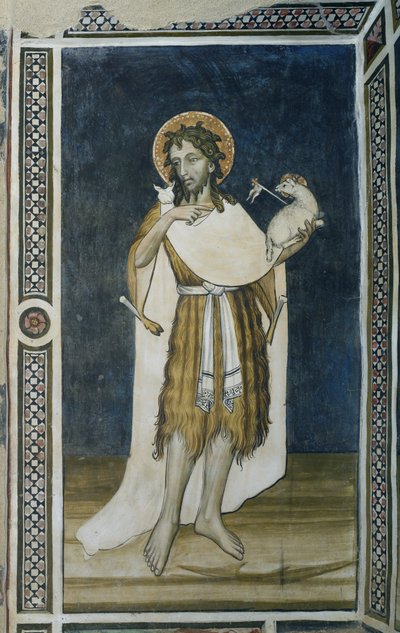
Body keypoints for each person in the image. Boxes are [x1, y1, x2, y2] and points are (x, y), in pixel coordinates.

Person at [76, 111, 315, 576]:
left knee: (231, 415)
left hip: (239, 319)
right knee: (187, 418)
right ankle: (168, 518)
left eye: (192, 159)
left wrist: (295, 246)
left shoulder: (235, 213)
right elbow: (141, 259)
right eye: (176, 161)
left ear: (212, 163)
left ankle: (208, 514)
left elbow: (261, 262)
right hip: (194, 319)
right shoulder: (166, 211)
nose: (183, 169)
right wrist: (169, 220)